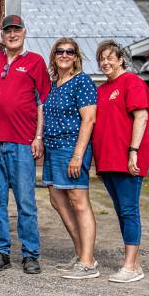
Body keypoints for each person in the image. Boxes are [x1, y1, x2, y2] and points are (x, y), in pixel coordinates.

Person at [0, 15, 50, 274]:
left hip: (22, 142)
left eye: (16, 30)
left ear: (24, 33)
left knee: (25, 202)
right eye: (8, 31)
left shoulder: (35, 62)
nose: (12, 35)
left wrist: (38, 137)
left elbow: (42, 103)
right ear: (2, 35)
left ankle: (30, 254)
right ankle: (0, 251)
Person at [92, 40, 149, 284]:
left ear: (121, 60)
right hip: (108, 160)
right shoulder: (103, 89)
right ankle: (133, 262)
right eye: (101, 59)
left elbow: (141, 116)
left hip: (127, 158)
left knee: (129, 210)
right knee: (121, 211)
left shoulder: (132, 82)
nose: (105, 63)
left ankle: (130, 266)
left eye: (109, 58)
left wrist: (133, 151)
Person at [42, 38, 99, 279]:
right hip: (52, 148)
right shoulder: (54, 84)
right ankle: (81, 254)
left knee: (79, 201)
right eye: (60, 51)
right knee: (57, 199)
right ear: (54, 56)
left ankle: (88, 263)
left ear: (76, 57)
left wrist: (77, 155)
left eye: (70, 52)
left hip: (71, 147)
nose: (65, 55)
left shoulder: (82, 82)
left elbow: (89, 119)